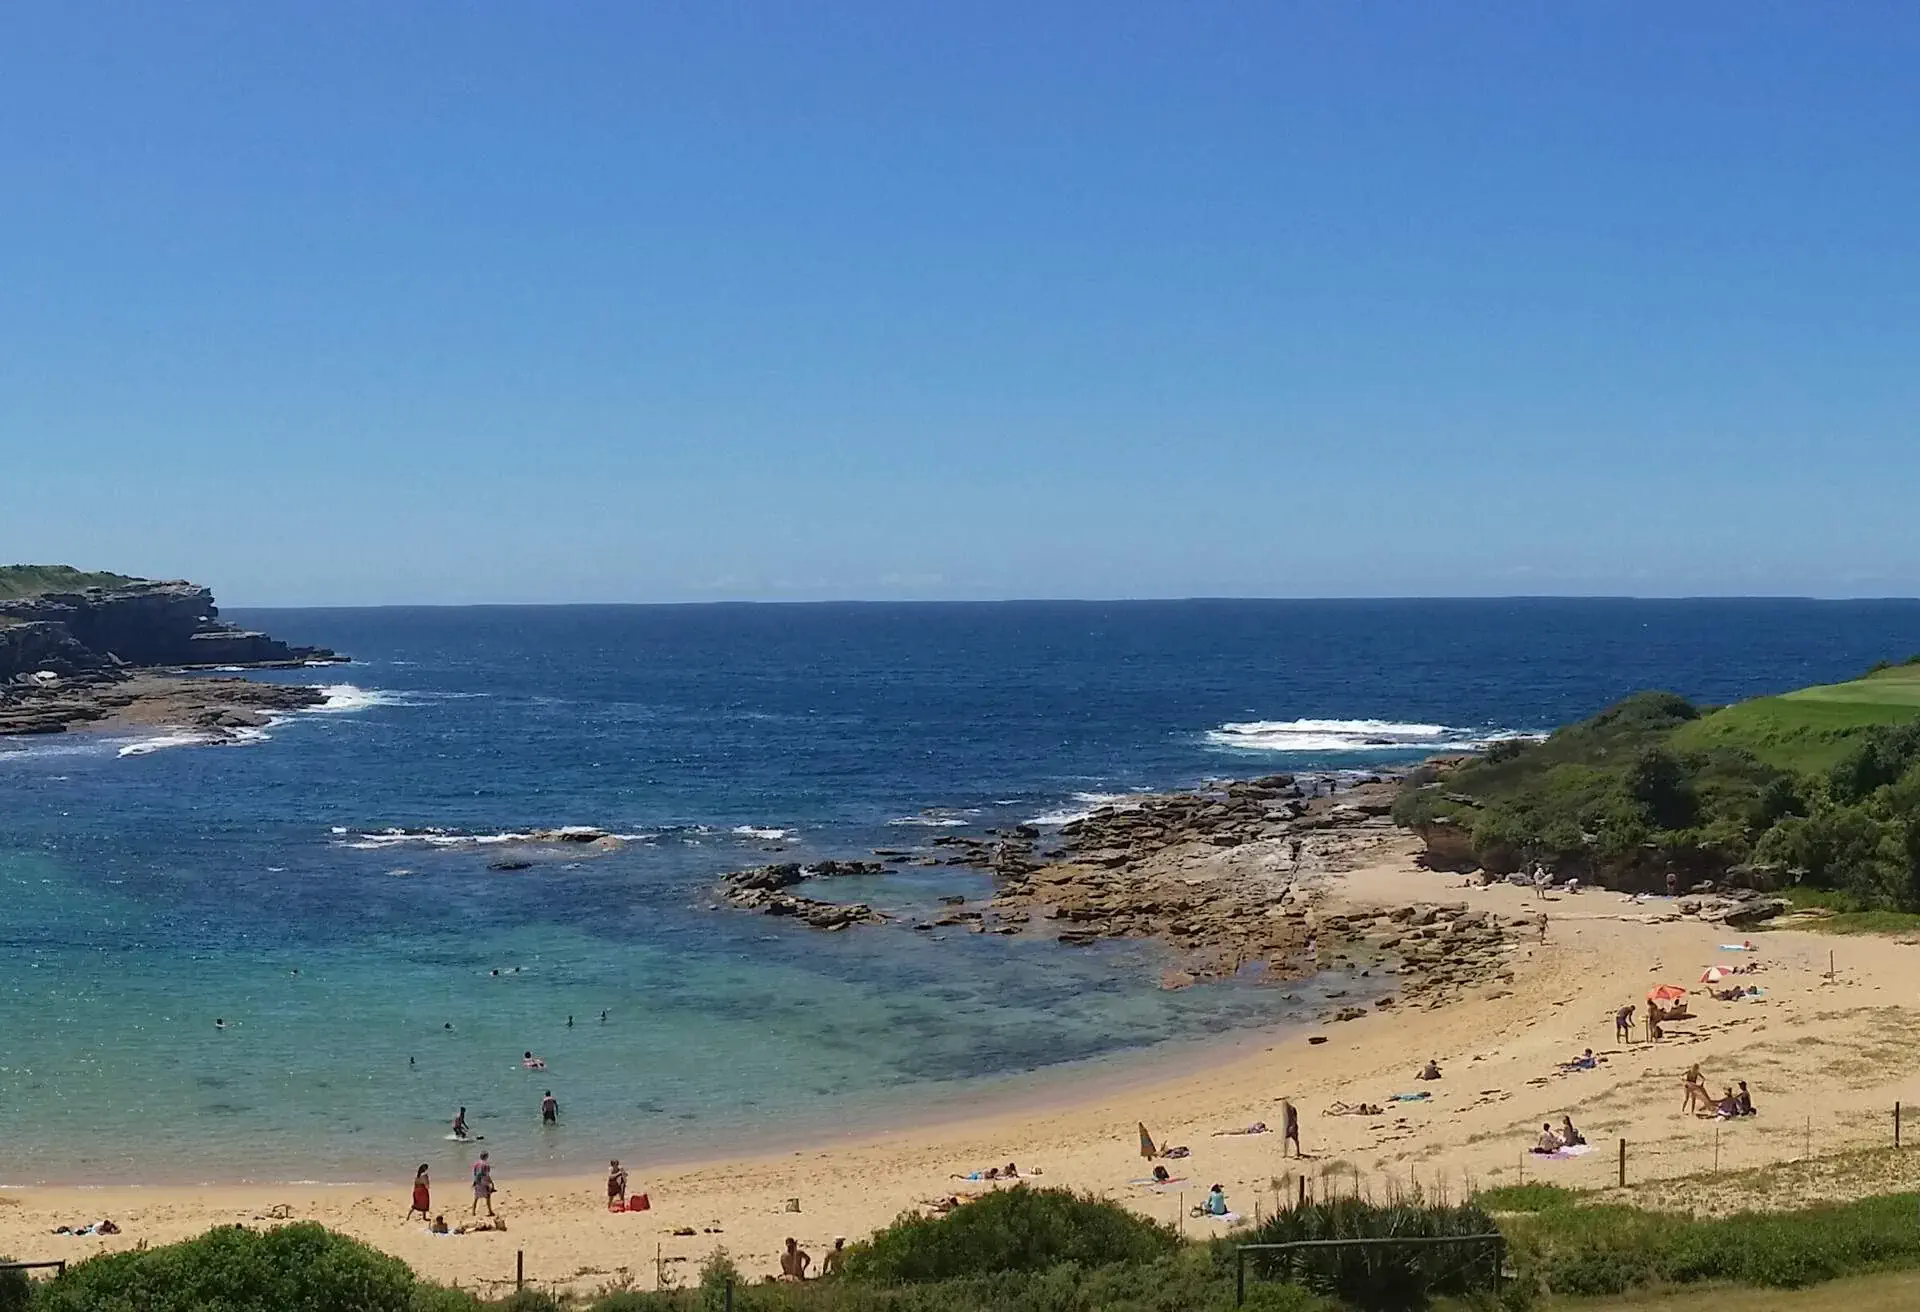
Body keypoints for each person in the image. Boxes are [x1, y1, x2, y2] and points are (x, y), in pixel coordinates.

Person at [471, 1152, 496, 1217]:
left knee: (476, 1198)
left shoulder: (476, 1164)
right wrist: (491, 1182)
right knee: (488, 1197)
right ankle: (490, 1211)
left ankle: (473, 1212)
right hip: (484, 1182)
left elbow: (475, 1173)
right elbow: (487, 1175)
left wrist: (475, 1181)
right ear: (486, 1157)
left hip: (477, 1181)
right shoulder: (486, 1165)